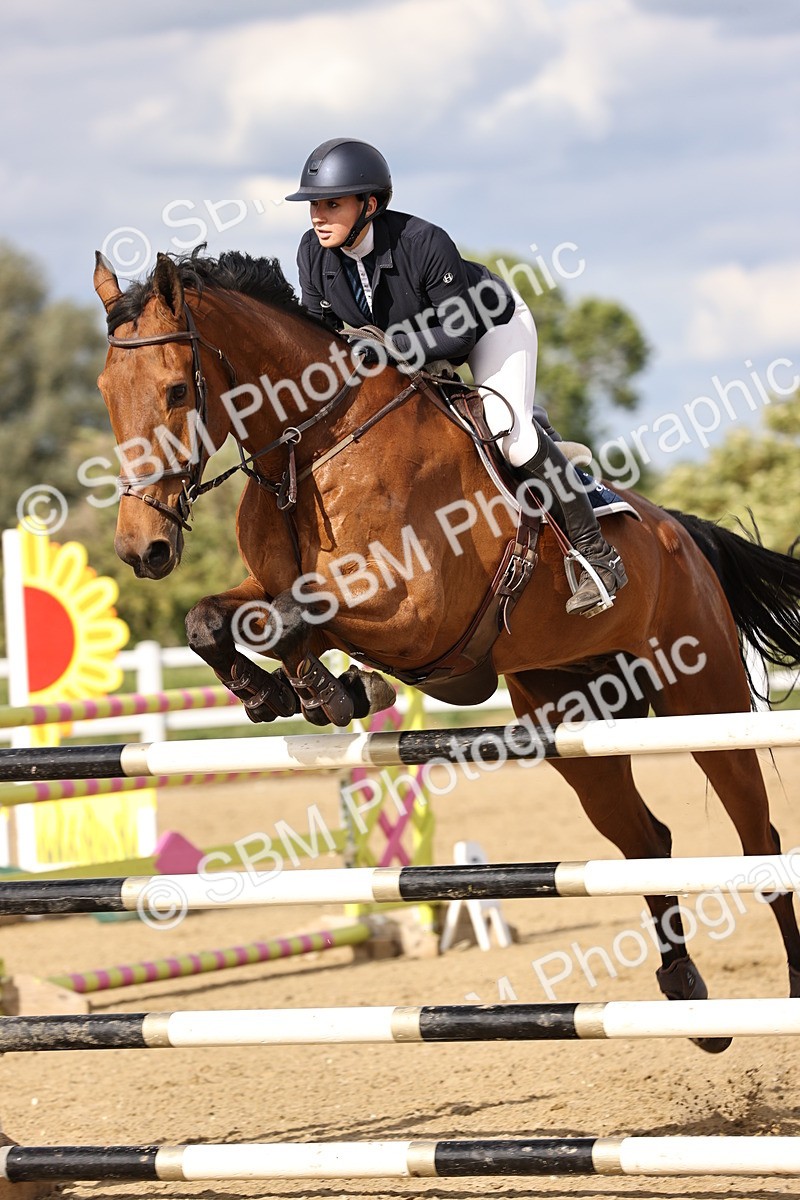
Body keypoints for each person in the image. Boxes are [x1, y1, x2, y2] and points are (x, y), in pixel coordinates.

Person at [286, 138, 627, 618]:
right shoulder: (313, 255)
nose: (318, 216)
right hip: (410, 349)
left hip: (490, 326)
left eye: (331, 204)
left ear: (370, 204)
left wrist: (391, 348)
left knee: (510, 437)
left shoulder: (423, 243)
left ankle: (598, 557)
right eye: (314, 205)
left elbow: (459, 333)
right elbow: (317, 333)